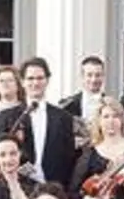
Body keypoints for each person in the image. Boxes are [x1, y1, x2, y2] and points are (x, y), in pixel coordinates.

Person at [18, 58, 79, 186]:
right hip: (19, 185)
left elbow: (69, 158)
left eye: (40, 78)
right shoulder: (9, 116)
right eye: (30, 78)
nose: (35, 83)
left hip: (54, 187)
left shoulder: (64, 117)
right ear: (22, 82)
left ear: (47, 81)